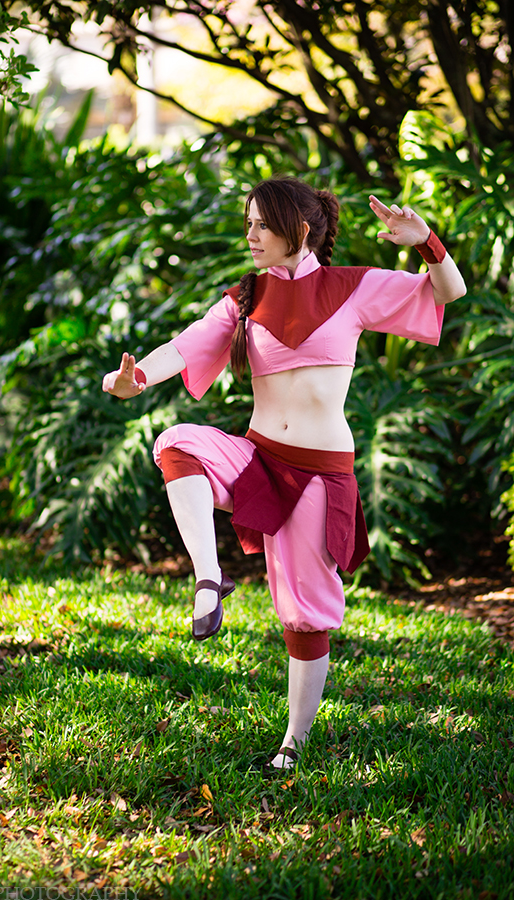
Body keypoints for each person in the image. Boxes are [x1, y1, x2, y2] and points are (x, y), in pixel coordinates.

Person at [102, 177, 466, 770]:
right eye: (247, 224)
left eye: (261, 225)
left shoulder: (355, 287)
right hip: (260, 458)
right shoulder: (247, 297)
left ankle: (293, 743)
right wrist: (134, 378)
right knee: (177, 444)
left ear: (297, 230)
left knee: (303, 611)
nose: (250, 235)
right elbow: (184, 346)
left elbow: (449, 290)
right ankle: (209, 578)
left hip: (320, 474)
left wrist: (426, 240)